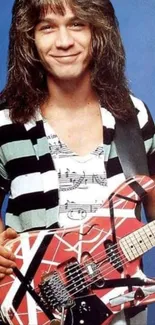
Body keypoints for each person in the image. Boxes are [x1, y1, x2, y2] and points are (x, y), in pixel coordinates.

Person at [0, 0, 155, 324]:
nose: (64, 41)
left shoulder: (134, 117)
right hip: (31, 310)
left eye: (76, 24)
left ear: (98, 31)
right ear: (29, 38)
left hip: (122, 313)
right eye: (47, 27)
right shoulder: (5, 122)